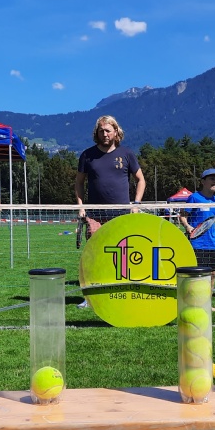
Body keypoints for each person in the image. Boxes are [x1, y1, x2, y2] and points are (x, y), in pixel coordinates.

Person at [75, 115, 146, 308]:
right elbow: (79, 183)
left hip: (122, 215)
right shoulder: (87, 155)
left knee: (122, 254)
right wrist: (81, 207)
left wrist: (136, 204)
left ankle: (121, 290)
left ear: (116, 132)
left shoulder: (127, 154)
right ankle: (90, 296)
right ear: (96, 133)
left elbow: (141, 180)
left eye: (108, 130)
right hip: (95, 214)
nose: (105, 134)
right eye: (101, 131)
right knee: (94, 254)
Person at [179, 168, 215, 311]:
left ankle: (207, 304)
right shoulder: (194, 197)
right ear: (203, 182)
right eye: (212, 179)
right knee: (197, 275)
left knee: (212, 274)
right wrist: (188, 227)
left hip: (212, 244)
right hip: (197, 243)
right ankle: (193, 302)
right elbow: (182, 215)